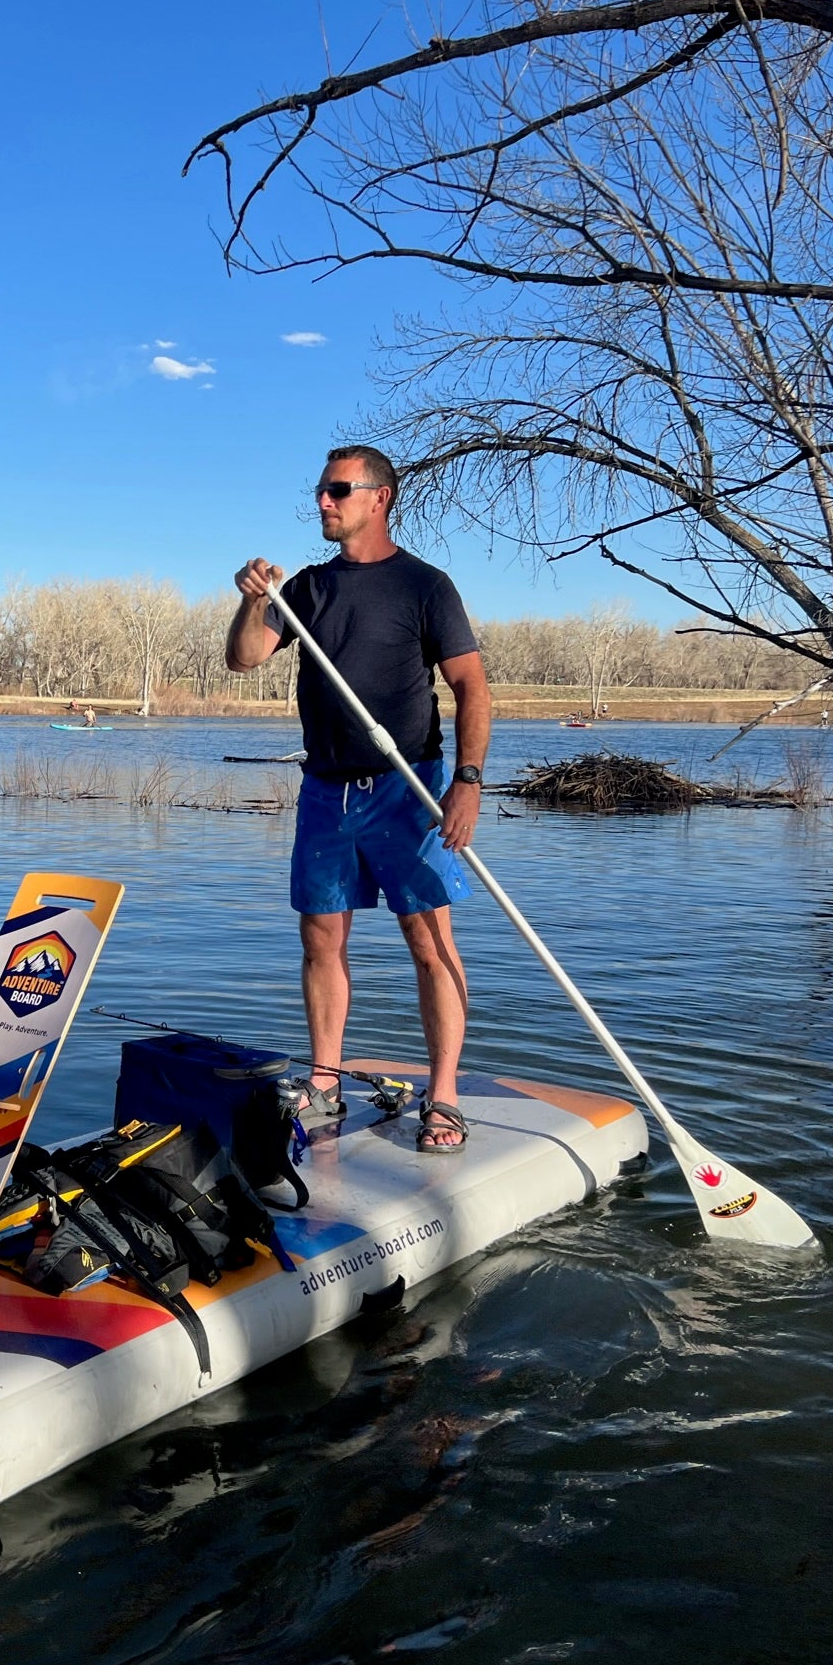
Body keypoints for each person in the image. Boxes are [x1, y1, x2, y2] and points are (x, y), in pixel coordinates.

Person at [226, 444, 491, 1153]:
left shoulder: (426, 586)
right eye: (320, 490)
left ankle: (445, 1095)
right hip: (326, 792)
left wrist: (467, 781)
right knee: (321, 937)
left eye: (338, 489)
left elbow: (471, 687)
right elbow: (244, 656)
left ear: (380, 497)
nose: (323, 501)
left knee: (429, 940)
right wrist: (254, 600)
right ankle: (325, 1081)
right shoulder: (307, 588)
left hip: (410, 788)